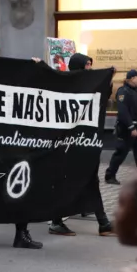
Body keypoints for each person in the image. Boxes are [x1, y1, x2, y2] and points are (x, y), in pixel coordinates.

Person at [49, 53, 115, 237]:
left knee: (90, 180)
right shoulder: (68, 83)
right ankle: (57, 221)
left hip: (85, 142)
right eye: (86, 65)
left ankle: (103, 223)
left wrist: (108, 79)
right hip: (70, 144)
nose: (90, 68)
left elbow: (101, 98)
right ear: (78, 66)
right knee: (71, 182)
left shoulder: (87, 84)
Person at [104, 69, 137, 185]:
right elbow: (123, 112)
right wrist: (131, 127)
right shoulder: (123, 92)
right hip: (127, 129)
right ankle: (110, 175)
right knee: (121, 152)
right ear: (132, 78)